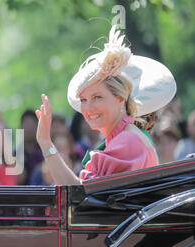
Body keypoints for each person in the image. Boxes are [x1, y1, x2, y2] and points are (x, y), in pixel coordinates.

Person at [35, 26, 177, 184]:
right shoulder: (127, 136)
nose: (88, 108)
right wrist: (45, 142)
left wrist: (45, 142)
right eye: (83, 100)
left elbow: (77, 193)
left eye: (97, 97)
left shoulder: (127, 141)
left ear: (120, 98)